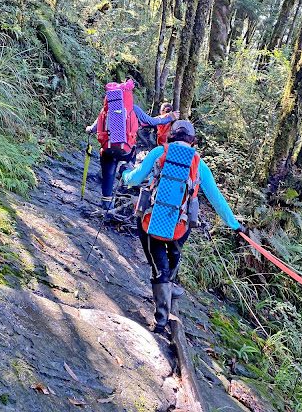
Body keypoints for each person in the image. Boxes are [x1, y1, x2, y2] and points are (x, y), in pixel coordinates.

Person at [122, 120, 245, 333]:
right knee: (174, 250)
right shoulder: (199, 164)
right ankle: (169, 284)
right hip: (179, 227)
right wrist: (235, 225)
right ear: (192, 139)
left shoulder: (159, 151)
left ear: (172, 135)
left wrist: (125, 173)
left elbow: (135, 179)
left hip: (151, 222)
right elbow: (217, 199)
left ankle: (161, 318)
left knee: (158, 264)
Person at [86, 81, 179, 210]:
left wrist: (89, 129)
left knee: (109, 168)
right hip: (126, 151)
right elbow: (151, 121)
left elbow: (93, 127)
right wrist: (169, 118)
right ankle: (125, 182)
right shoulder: (133, 109)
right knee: (131, 155)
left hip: (108, 148)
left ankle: (106, 203)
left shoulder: (107, 109)